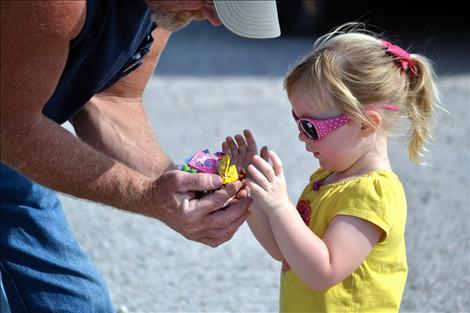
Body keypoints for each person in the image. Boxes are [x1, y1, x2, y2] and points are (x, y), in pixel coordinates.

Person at [0, 1, 280, 312]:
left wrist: (181, 186)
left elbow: (112, 99)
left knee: (78, 306)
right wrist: (147, 196)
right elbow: (11, 127)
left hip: (10, 151)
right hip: (10, 132)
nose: (214, 20)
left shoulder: (166, 9)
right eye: (211, 1)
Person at [222, 23, 441, 312]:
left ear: (366, 123)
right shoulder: (326, 179)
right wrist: (252, 194)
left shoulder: (373, 194)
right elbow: (284, 250)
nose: (300, 135)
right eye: (297, 121)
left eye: (311, 126)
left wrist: (279, 207)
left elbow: (322, 271)